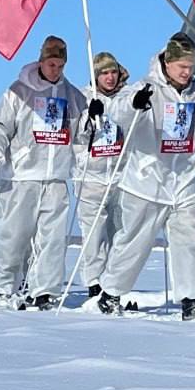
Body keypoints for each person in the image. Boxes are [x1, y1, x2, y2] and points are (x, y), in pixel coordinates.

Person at [97, 32, 195, 321]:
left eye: (191, 67)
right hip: (146, 181)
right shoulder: (145, 88)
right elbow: (116, 111)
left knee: (189, 242)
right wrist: (134, 105)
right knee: (134, 242)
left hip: (185, 181)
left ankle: (191, 300)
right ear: (167, 63)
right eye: (182, 67)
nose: (187, 73)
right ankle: (111, 293)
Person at [0, 35, 86, 310]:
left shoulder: (72, 95)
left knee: (52, 239)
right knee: (14, 235)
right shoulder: (18, 91)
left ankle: (45, 290)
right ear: (41, 61)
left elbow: (83, 135)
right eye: (52, 64)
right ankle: (5, 287)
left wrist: (93, 116)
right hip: (22, 175)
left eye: (60, 65)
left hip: (56, 177)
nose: (56, 70)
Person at [75, 50, 130, 298]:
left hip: (122, 176)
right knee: (93, 234)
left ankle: (114, 282)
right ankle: (93, 280)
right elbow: (76, 135)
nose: (109, 77)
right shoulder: (82, 98)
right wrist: (90, 116)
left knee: (120, 232)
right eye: (104, 73)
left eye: (113, 72)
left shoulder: (129, 97)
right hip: (91, 176)